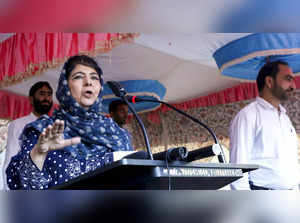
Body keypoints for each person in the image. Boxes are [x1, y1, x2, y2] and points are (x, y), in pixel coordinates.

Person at [6, 55, 133, 190]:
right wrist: (38, 153)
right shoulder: (43, 130)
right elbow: (25, 189)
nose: (88, 82)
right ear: (65, 86)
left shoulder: (118, 134)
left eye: (94, 77)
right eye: (79, 76)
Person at [229, 60, 299, 190]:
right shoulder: (248, 116)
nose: (293, 86)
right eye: (288, 79)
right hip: (263, 197)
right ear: (269, 82)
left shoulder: (284, 117)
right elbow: (238, 170)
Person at [2, 81, 53, 189]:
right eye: (42, 94)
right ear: (31, 99)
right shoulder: (18, 124)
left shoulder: (56, 126)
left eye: (49, 94)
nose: (46, 98)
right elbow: (10, 160)